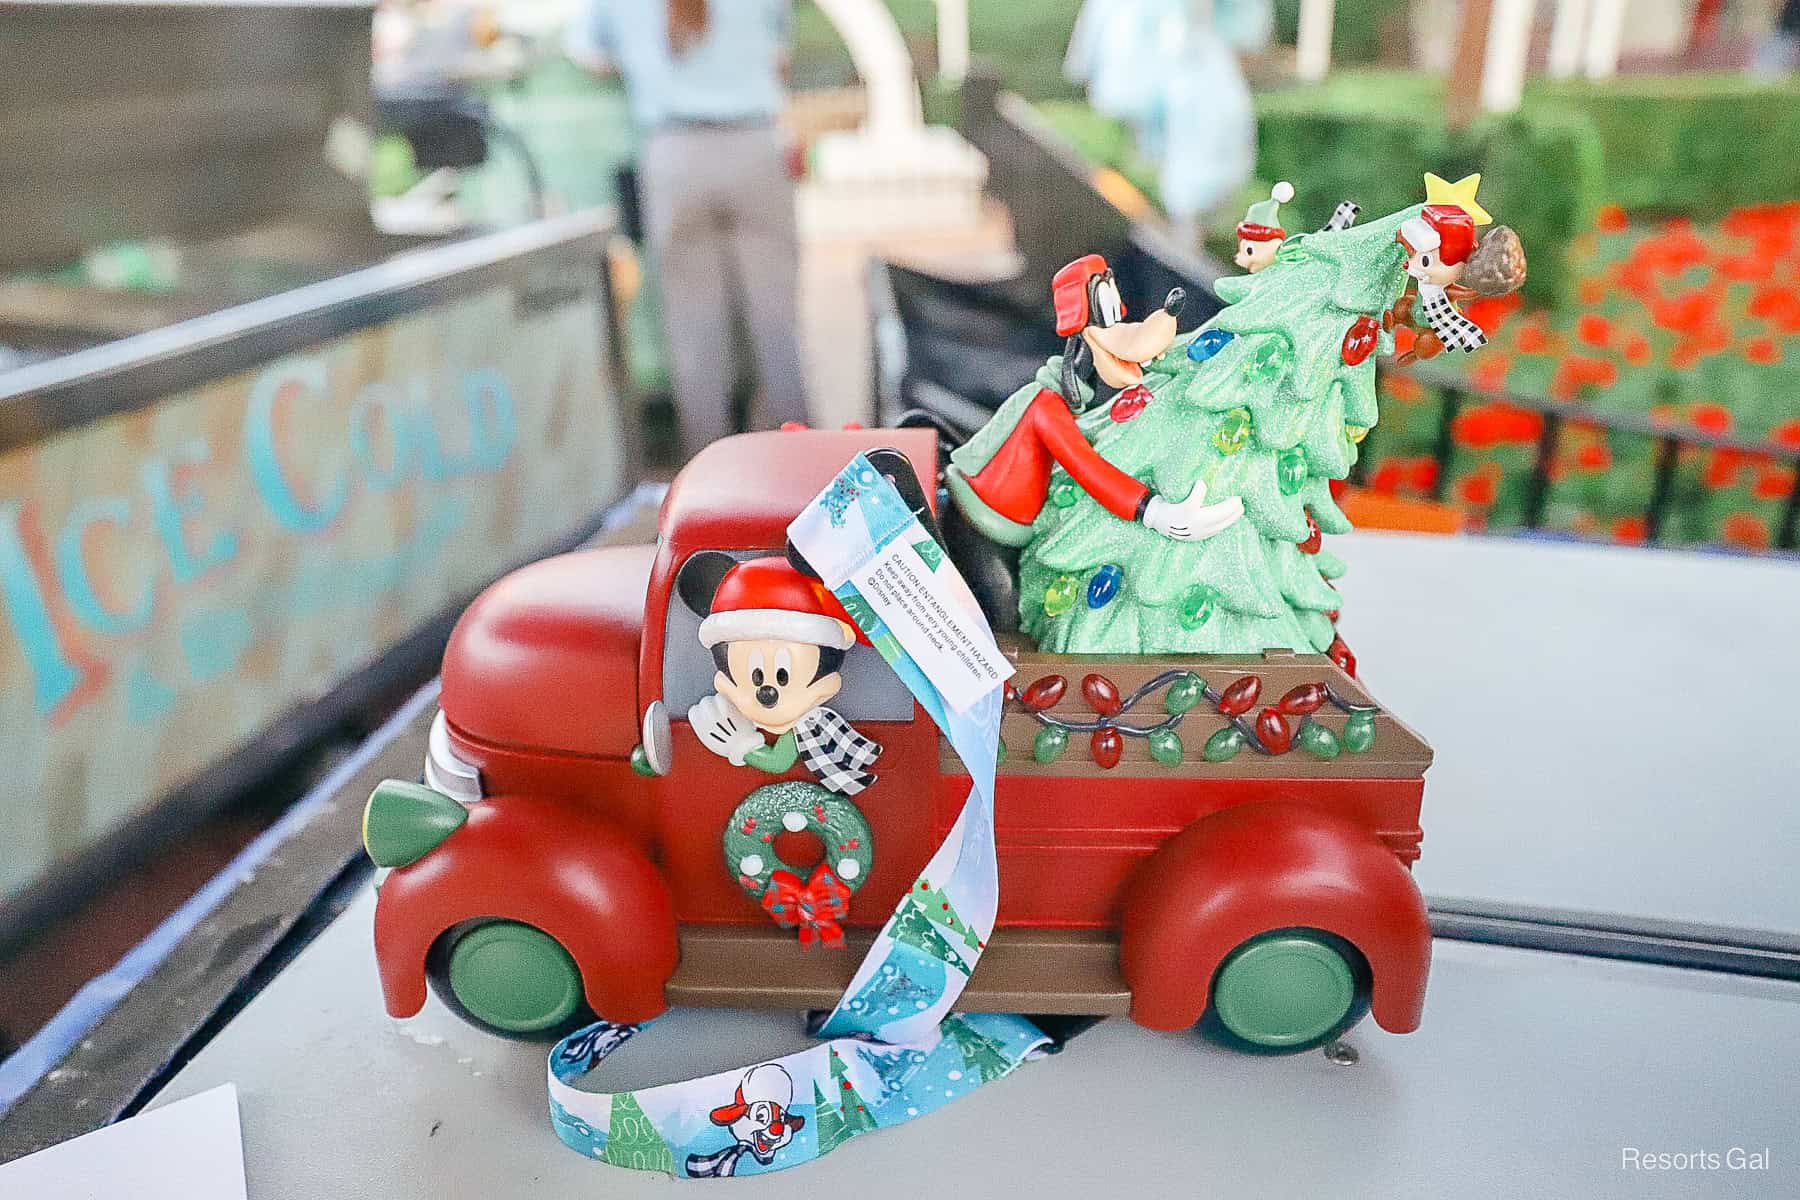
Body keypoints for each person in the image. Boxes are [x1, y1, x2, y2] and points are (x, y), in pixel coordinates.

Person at [570, 0, 808, 456]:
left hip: (674, 156)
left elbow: (588, 54)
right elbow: (780, 56)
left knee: (694, 335)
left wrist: (645, 61)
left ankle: (710, 475)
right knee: (778, 325)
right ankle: (803, 469)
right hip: (755, 149)